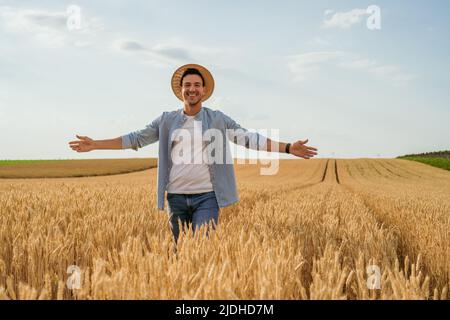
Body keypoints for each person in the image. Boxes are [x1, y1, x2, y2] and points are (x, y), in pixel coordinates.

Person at [69, 64, 318, 242]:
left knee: (202, 248)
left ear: (204, 90)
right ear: (180, 91)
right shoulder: (166, 120)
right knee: (181, 254)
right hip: (175, 198)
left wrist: (287, 147)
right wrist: (95, 144)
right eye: (187, 85)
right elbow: (135, 139)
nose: (192, 89)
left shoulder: (217, 119)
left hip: (207, 198)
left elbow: (249, 139)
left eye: (197, 85)